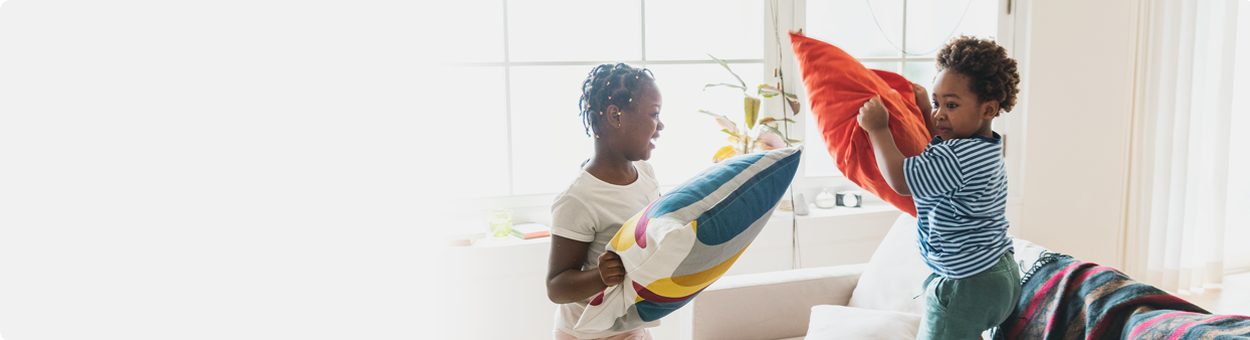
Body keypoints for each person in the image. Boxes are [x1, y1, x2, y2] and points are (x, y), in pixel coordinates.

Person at [857, 35, 1022, 340]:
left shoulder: (957, 158)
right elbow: (949, 134)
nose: (939, 114)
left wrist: (877, 128)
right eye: (936, 102)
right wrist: (923, 108)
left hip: (967, 284)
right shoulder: (982, 147)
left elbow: (901, 180)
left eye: (951, 104)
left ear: (988, 109)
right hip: (1000, 271)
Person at [546, 63, 664, 340]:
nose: (660, 126)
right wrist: (600, 277)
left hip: (630, 324)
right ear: (616, 116)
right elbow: (556, 287)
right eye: (654, 114)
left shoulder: (646, 174)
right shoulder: (579, 198)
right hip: (587, 334)